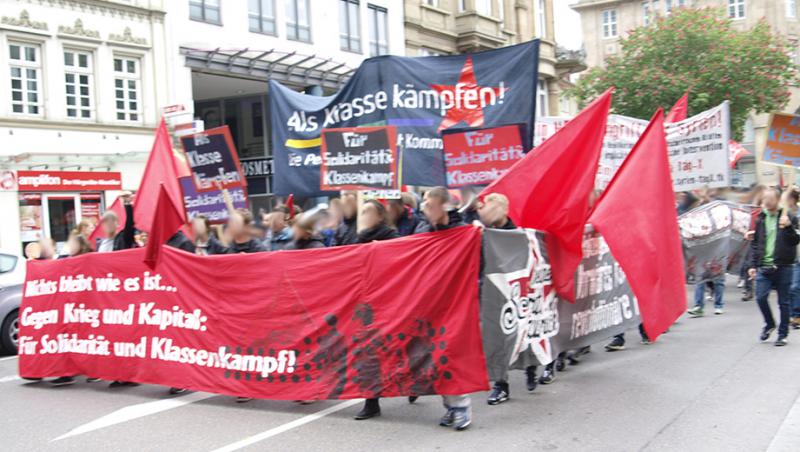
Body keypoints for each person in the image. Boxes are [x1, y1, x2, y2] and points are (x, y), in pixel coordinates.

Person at [414, 187, 472, 430]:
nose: (425, 207)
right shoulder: (424, 230)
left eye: (430, 203)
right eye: (424, 203)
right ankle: (450, 406)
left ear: (444, 205)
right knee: (437, 356)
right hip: (431, 302)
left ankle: (462, 407)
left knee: (452, 354)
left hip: (457, 301)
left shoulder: (462, 232)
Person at [474, 193, 537, 406]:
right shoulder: (481, 234)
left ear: (504, 210)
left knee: (520, 334)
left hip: (515, 293)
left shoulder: (518, 235)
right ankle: (501, 385)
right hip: (491, 292)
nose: (488, 212)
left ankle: (530, 366)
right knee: (496, 337)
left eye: (493, 208)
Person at [352, 200, 400, 421]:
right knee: (368, 352)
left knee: (399, 348)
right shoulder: (358, 238)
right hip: (366, 303)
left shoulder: (392, 237)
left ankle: (415, 383)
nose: (364, 215)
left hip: (390, 300)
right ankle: (372, 402)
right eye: (362, 212)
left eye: (368, 211)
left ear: (380, 216)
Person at [748, 186, 799, 346]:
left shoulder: (788, 216)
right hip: (765, 266)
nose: (766, 202)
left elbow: (795, 240)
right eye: (764, 199)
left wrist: (789, 226)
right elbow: (756, 243)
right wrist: (753, 265)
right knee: (761, 297)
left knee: (783, 302)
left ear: (778, 200)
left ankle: (782, 334)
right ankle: (769, 323)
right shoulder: (761, 217)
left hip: (784, 266)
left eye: (770, 199)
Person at [51, 233, 94, 387]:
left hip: (86, 309)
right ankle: (66, 372)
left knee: (88, 340)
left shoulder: (90, 259)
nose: (70, 246)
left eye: (73, 243)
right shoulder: (65, 260)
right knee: (67, 339)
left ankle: (93, 370)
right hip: (70, 309)